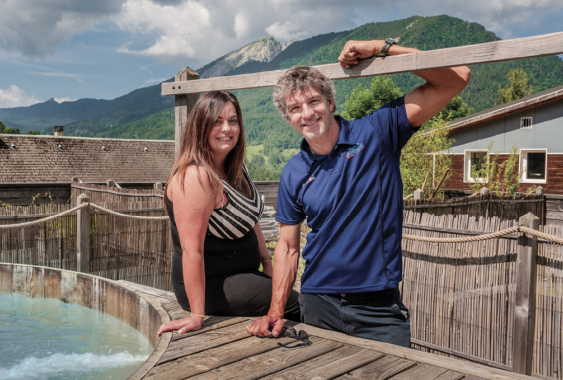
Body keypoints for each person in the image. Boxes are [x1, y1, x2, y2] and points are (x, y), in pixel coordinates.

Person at [245, 39, 471, 347]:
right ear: (288, 118)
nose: (307, 114)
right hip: (317, 305)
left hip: (378, 311)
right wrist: (276, 309)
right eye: (295, 108)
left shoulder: (377, 132)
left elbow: (457, 77)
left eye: (313, 102)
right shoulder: (293, 172)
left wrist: (382, 47)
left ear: (330, 102)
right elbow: (286, 248)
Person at [157, 90, 301, 336]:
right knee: (298, 304)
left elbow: (250, 218)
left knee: (289, 293)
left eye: (232, 121)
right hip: (213, 284)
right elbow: (192, 251)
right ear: (200, 126)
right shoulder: (195, 177)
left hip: (243, 274)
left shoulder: (235, 167)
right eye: (217, 121)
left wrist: (268, 263)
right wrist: (196, 315)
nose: (227, 128)